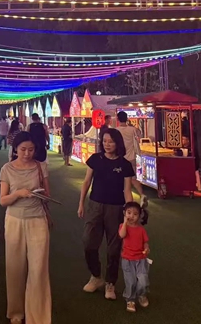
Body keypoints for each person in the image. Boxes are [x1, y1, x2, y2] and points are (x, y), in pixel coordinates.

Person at [0, 132, 51, 324]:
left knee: (38, 269)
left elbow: (48, 195)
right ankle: (16, 312)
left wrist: (39, 194)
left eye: (31, 149)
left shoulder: (41, 167)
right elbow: (3, 200)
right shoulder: (7, 169)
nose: (27, 153)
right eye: (23, 149)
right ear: (15, 149)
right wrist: (18, 194)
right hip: (14, 220)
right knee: (15, 268)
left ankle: (37, 316)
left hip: (38, 220)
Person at [78, 128, 134, 301]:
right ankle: (96, 276)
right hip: (95, 206)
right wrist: (81, 203)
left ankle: (110, 283)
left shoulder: (125, 165)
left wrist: (130, 212)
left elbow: (127, 190)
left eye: (111, 141)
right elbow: (87, 182)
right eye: (104, 141)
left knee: (114, 248)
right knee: (88, 242)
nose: (107, 144)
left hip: (116, 209)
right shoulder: (95, 159)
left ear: (118, 143)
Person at [119, 201, 150, 313]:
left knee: (143, 280)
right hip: (127, 259)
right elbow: (122, 235)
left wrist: (146, 248)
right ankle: (130, 299)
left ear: (139, 216)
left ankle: (141, 294)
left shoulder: (141, 229)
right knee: (130, 281)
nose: (131, 216)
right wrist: (125, 223)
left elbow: (145, 242)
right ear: (124, 213)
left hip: (141, 259)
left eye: (135, 214)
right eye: (129, 213)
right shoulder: (123, 226)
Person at [115, 111, 147, 206]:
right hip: (131, 158)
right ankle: (142, 194)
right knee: (133, 179)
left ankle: (124, 201)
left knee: (121, 181)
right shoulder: (132, 129)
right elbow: (140, 134)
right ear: (127, 118)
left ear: (118, 119)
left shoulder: (116, 131)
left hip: (120, 159)